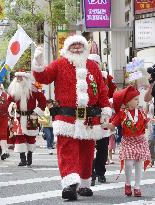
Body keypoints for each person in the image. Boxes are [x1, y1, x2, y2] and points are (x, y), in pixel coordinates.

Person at [32, 35, 111, 201]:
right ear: (67, 48)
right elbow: (43, 77)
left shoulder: (93, 67)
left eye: (79, 45)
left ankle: (83, 183)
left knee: (87, 152)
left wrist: (105, 110)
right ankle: (69, 184)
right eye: (73, 45)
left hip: (89, 119)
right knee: (67, 150)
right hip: (66, 117)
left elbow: (102, 91)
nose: (76, 48)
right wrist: (38, 62)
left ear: (85, 48)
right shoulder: (60, 64)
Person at [108, 85, 151, 197]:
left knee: (138, 164)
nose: (138, 101)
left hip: (140, 141)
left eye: (137, 99)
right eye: (135, 99)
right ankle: (128, 183)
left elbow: (146, 125)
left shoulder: (141, 112)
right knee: (128, 163)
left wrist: (148, 123)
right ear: (127, 101)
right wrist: (103, 124)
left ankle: (137, 186)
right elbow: (112, 125)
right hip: (128, 141)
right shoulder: (122, 113)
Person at [88, 54, 117, 186]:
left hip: (103, 116)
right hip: (88, 117)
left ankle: (100, 172)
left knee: (103, 147)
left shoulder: (107, 78)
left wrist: (110, 102)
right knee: (87, 147)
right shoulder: (83, 76)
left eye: (96, 63)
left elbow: (114, 95)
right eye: (91, 62)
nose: (94, 65)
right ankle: (90, 173)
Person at [8, 70, 46, 167]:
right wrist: (12, 106)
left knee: (31, 137)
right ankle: (22, 159)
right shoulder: (14, 90)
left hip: (31, 116)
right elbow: (9, 102)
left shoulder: (34, 89)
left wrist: (36, 111)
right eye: (17, 78)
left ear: (25, 78)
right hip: (19, 117)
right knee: (19, 136)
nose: (18, 80)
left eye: (20, 77)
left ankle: (29, 155)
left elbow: (43, 101)